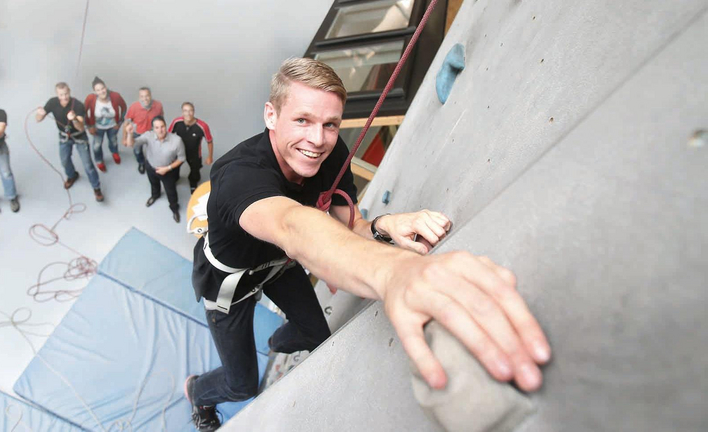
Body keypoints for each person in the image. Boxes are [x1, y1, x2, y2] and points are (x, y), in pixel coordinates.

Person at [184, 58, 551, 431]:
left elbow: (349, 226)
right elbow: (291, 225)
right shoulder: (238, 175)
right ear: (271, 115)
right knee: (242, 383)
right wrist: (395, 273)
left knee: (316, 337)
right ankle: (197, 393)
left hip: (279, 266)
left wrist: (383, 225)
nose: (317, 140)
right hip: (232, 284)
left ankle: (279, 338)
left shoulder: (330, 154)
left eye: (330, 125)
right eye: (303, 120)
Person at [35, 82, 104, 202]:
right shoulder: (52, 102)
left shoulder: (77, 105)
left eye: (66, 94)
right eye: (61, 95)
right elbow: (38, 119)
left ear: (69, 91)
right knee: (64, 161)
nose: (64, 97)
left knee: (88, 165)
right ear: (57, 94)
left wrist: (74, 119)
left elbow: (81, 127)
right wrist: (39, 114)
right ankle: (72, 175)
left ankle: (96, 187)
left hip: (79, 137)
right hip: (64, 137)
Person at [124, 116, 185, 223]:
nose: (160, 130)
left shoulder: (177, 140)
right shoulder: (148, 136)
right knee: (153, 184)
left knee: (171, 191)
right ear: (153, 129)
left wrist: (167, 168)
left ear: (166, 126)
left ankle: (174, 208)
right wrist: (129, 133)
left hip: (167, 171)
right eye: (157, 127)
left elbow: (181, 158)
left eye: (162, 127)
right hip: (151, 167)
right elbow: (131, 144)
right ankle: (155, 195)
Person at [168, 103, 214, 193]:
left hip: (194, 153)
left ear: (194, 112)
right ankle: (175, 178)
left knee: (195, 171)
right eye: (185, 111)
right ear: (182, 112)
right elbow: (168, 135)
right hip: (178, 152)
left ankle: (193, 184)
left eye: (190, 110)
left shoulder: (202, 126)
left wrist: (210, 156)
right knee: (174, 167)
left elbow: (209, 141)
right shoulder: (176, 122)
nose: (188, 113)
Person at [84, 76, 127, 173]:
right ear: (94, 91)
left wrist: (120, 122)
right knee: (97, 145)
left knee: (113, 141)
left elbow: (124, 107)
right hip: (97, 127)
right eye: (98, 90)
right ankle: (99, 160)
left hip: (113, 126)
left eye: (102, 88)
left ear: (106, 87)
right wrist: (89, 126)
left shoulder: (115, 96)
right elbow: (83, 112)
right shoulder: (90, 99)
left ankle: (114, 152)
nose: (101, 92)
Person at [124, 87, 164, 174]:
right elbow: (127, 122)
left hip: (151, 133)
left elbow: (161, 118)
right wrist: (125, 138)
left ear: (150, 96)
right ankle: (141, 163)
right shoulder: (134, 107)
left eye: (147, 96)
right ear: (139, 97)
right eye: (142, 96)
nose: (145, 99)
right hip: (137, 133)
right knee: (137, 150)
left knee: (154, 150)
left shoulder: (158, 105)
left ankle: (153, 164)